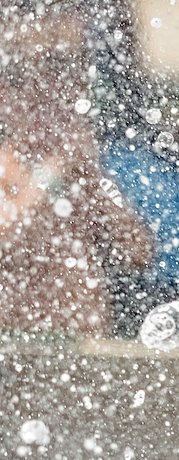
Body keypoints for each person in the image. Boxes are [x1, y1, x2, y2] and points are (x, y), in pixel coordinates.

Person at [0, 2, 154, 337]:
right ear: (4, 96)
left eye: (66, 68)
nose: (49, 89)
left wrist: (97, 189)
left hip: (89, 349)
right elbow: (8, 239)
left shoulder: (79, 172)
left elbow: (137, 253)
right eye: (23, 75)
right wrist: (51, 175)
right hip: (21, 355)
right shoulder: (6, 168)